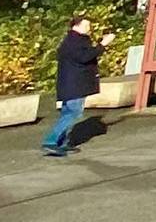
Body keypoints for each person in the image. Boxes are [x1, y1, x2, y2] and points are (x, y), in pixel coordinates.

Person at [41, 15, 110, 157]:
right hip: (75, 84)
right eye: (86, 25)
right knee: (73, 113)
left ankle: (63, 143)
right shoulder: (74, 41)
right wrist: (102, 45)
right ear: (76, 26)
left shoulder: (73, 40)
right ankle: (51, 141)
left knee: (67, 114)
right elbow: (84, 57)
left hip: (71, 83)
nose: (88, 28)